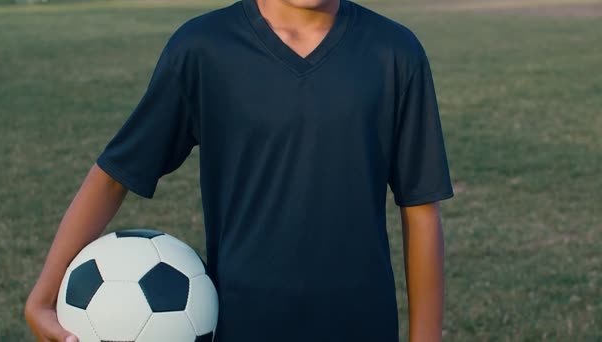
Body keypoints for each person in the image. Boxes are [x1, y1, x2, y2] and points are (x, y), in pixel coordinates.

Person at [25, 0, 454, 341]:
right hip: (243, 324)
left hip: (361, 326)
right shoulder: (203, 49)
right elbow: (115, 172)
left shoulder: (394, 52)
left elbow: (420, 210)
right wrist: (43, 296)